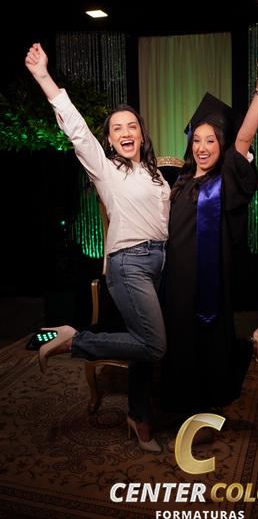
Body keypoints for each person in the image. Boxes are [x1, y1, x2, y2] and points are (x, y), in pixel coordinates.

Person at [25, 42, 170, 453]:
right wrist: (43, 76)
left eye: (132, 126)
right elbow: (75, 128)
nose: (126, 133)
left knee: (144, 344)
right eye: (117, 129)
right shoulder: (106, 171)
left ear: (142, 133)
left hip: (159, 263)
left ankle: (139, 417)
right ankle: (75, 339)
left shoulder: (156, 176)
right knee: (156, 344)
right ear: (108, 139)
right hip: (129, 265)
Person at [161, 47, 258, 432]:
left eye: (211, 141)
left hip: (207, 281)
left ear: (221, 145)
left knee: (206, 342)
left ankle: (200, 410)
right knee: (178, 341)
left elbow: (245, 137)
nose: (202, 147)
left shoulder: (224, 181)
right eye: (197, 140)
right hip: (175, 279)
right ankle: (183, 404)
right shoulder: (181, 181)